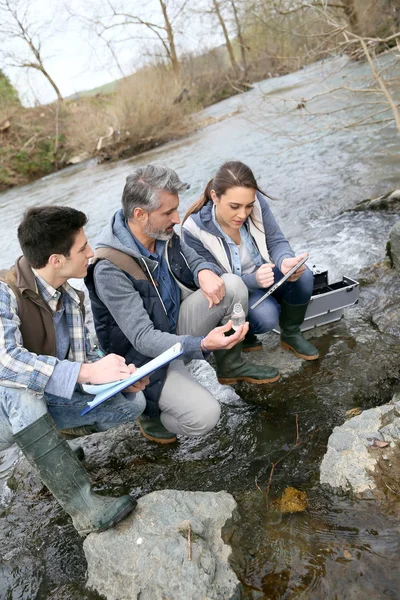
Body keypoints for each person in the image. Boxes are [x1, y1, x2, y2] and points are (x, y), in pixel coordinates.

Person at [86, 165, 280, 446]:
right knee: (205, 417)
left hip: (174, 328)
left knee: (231, 284)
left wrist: (203, 270)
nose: (177, 219)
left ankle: (231, 365)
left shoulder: (160, 232)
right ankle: (150, 413)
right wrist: (201, 345)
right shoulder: (109, 269)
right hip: (144, 362)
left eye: (176, 210)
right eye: (168, 213)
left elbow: (193, 257)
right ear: (140, 214)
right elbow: (142, 338)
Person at [0, 206, 149, 536]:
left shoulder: (72, 297)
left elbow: (86, 356)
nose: (91, 253)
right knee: (18, 386)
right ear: (56, 260)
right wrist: (86, 372)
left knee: (131, 403)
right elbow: (7, 361)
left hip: (41, 405)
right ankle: (84, 509)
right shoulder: (3, 292)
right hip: (6, 411)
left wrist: (117, 374)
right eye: (82, 248)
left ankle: (54, 446)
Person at [181, 160, 319, 372]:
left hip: (263, 276)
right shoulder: (193, 230)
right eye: (234, 207)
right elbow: (217, 284)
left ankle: (291, 333)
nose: (243, 214)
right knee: (266, 317)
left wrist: (284, 261)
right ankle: (244, 335)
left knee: (304, 275)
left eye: (248, 206)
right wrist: (252, 281)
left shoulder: (255, 202)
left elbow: (276, 240)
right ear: (215, 197)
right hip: (234, 291)